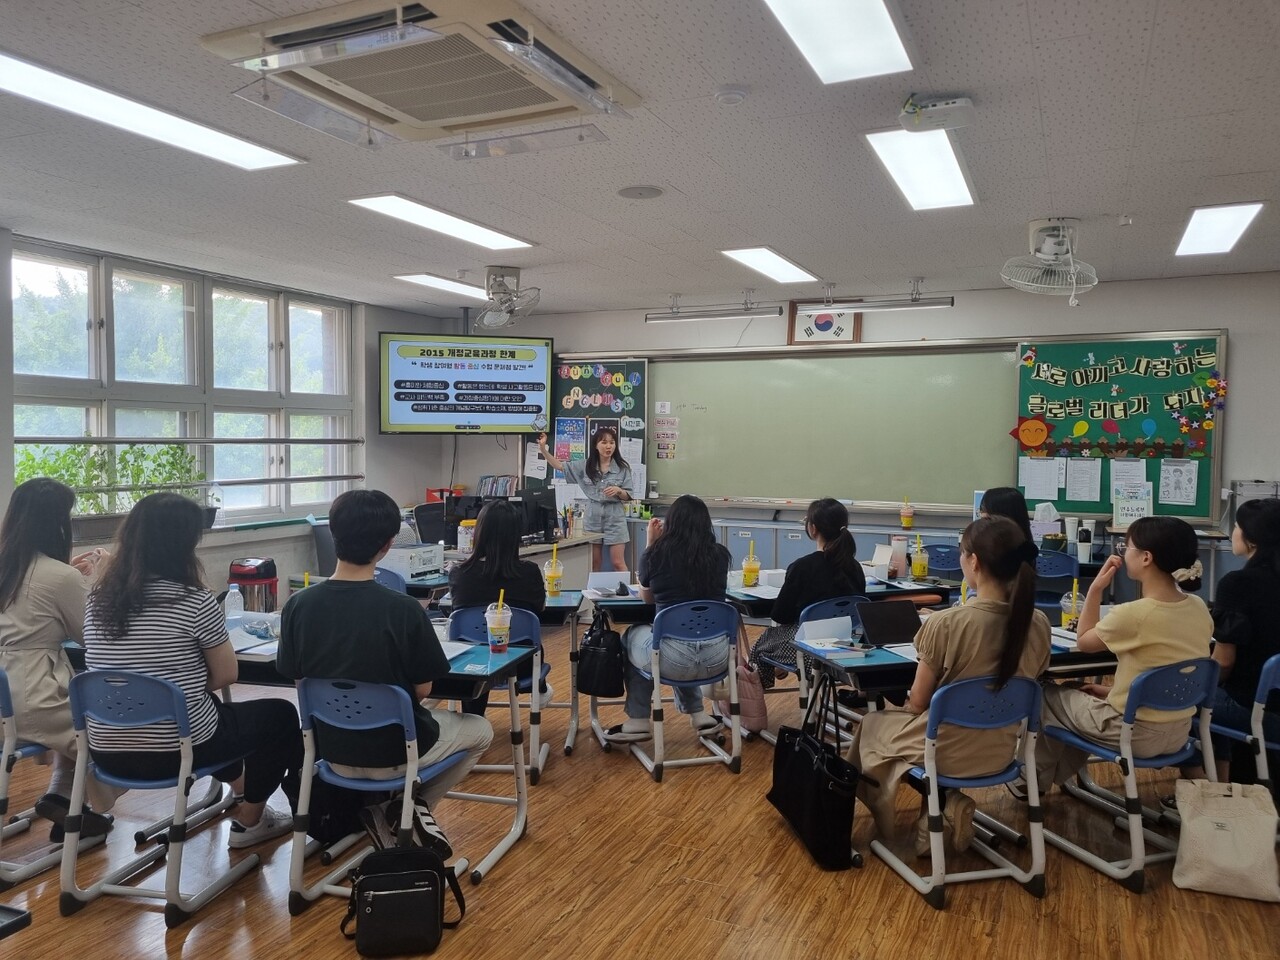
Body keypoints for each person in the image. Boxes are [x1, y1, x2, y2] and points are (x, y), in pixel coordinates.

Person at [84, 494, 301, 848]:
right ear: (184, 545)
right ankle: (252, 819)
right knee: (278, 715)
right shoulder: (194, 601)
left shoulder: (97, 600)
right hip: (175, 750)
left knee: (206, 717)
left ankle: (241, 786)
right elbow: (227, 675)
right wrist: (186, 686)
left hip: (107, 750)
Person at [278, 490, 493, 818]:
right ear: (388, 544)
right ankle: (409, 813)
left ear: (334, 534)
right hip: (397, 752)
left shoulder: (297, 605)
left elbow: (300, 681)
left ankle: (391, 814)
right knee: (481, 730)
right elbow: (422, 691)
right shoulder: (404, 610)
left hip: (330, 751)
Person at [853, 516, 1050, 853]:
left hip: (945, 751)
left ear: (974, 561)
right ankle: (946, 807)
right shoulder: (1039, 623)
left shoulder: (946, 623)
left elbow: (918, 702)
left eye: (962, 553)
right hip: (1004, 751)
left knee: (872, 726)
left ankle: (893, 825)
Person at [1032, 515, 1212, 792]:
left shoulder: (1134, 614)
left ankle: (1030, 782)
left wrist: (1095, 590)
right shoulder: (1199, 606)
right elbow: (1163, 672)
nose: (1124, 553)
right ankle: (1052, 777)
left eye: (1127, 548)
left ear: (1146, 558)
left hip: (1132, 733)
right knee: (1075, 691)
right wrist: (1110, 693)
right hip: (1178, 732)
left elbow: (1084, 641)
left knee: (1043, 694)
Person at [0, 478, 117, 838]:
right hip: (33, 692)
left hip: (6, 693)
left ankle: (62, 799)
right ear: (56, 522)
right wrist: (99, 581)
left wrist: (70, 575)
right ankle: (68, 800)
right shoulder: (59, 576)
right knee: (99, 721)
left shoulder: (9, 565)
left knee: (76, 703)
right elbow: (92, 635)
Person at [608, 494, 732, 741]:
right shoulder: (720, 555)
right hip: (717, 658)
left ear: (671, 523)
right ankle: (698, 715)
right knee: (681, 636)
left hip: (672, 660)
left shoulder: (657, 554)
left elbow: (647, 598)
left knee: (636, 635)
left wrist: (651, 544)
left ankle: (639, 719)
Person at [1184, 499, 1280, 783]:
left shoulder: (1238, 584)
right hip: (1271, 705)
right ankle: (1227, 782)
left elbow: (1224, 663)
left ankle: (1206, 790)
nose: (1233, 531)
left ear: (1251, 539)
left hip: (1258, 712)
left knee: (1187, 700)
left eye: (1236, 526)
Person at [748, 498, 867, 689]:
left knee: (759, 646)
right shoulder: (855, 567)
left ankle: (749, 709)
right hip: (849, 645)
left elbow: (781, 615)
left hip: (811, 649)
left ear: (812, 529)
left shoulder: (802, 567)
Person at [448, 499, 548, 715]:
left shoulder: (459, 573)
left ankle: (473, 722)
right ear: (515, 536)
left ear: (479, 532)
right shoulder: (529, 572)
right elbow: (540, 608)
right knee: (529, 644)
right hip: (521, 665)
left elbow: (458, 610)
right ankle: (539, 689)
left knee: (477, 647)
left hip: (470, 666)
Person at [537, 426, 633, 571]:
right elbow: (559, 466)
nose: (608, 446)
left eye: (612, 443)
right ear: (596, 445)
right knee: (594, 563)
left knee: (618, 563)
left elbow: (628, 496)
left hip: (615, 517)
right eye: (604, 442)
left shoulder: (622, 467)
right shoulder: (585, 465)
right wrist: (543, 449)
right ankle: (592, 593)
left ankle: (627, 593)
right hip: (592, 516)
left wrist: (619, 491)